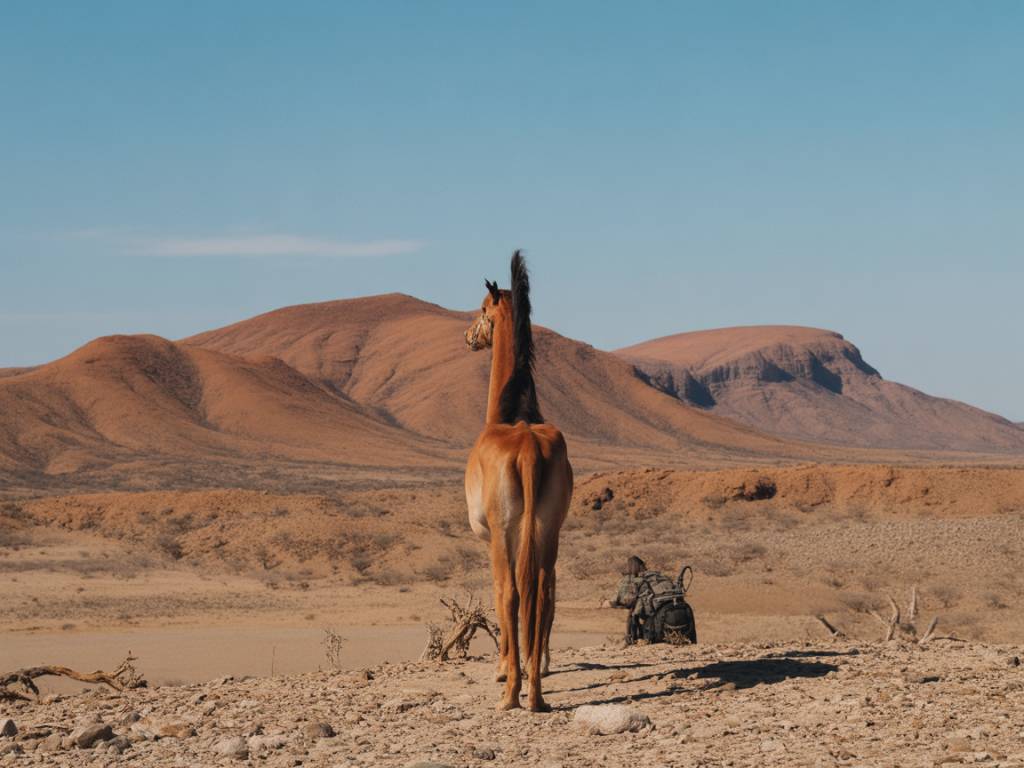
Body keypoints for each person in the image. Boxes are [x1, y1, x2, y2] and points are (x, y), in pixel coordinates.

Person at [611, 555, 697, 645]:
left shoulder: (635, 580)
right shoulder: (659, 576)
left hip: (660, 624)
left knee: (634, 614)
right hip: (683, 617)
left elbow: (624, 601)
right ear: (643, 565)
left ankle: (632, 640)